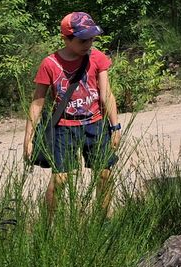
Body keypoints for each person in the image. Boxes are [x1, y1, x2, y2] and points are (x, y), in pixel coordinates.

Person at [24, 12, 121, 215]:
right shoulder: (50, 64)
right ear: (66, 39)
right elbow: (37, 103)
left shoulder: (97, 58)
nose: (88, 44)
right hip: (65, 128)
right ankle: (48, 225)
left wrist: (115, 126)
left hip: (95, 124)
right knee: (61, 179)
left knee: (104, 174)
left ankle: (104, 220)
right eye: (83, 40)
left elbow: (107, 95)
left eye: (92, 39)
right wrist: (29, 138)